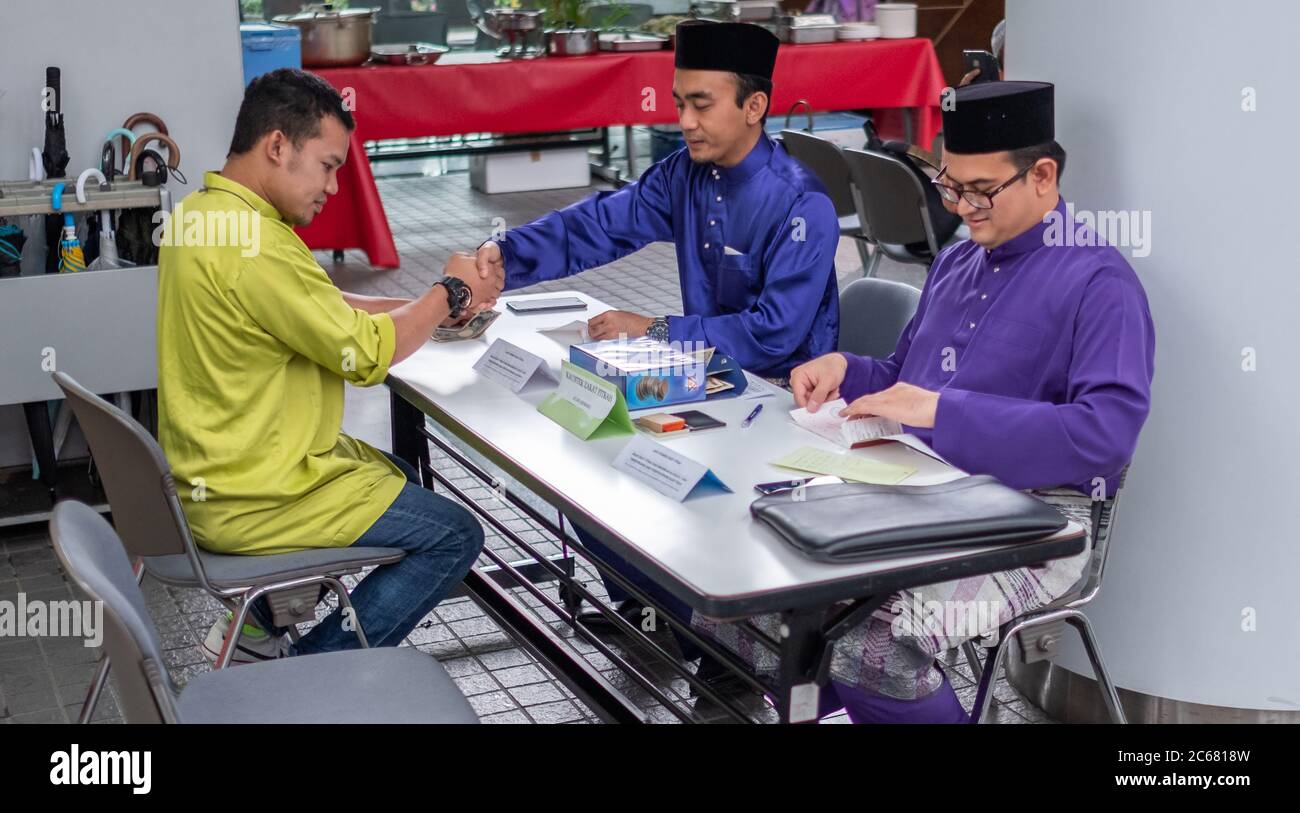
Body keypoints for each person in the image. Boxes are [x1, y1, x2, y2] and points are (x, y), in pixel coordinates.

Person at [695, 81, 1156, 721]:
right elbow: (901, 376)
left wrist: (945, 411)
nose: (961, 207)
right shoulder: (958, 261)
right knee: (745, 594)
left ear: (1043, 175)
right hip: (918, 487)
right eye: (950, 186)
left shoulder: (1099, 282)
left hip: (1041, 521)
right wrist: (845, 369)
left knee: (874, 641)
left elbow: (1104, 435)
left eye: (979, 190)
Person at [474, 22, 843, 657]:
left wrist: (657, 329)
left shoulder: (801, 204)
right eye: (680, 103)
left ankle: (724, 649)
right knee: (589, 439)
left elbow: (773, 335)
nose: (686, 120)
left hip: (781, 403)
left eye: (702, 103)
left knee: (654, 471)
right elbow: (598, 224)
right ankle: (658, 615)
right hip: (706, 381)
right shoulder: (685, 174)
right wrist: (504, 256)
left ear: (754, 107)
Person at [157, 69, 503, 662]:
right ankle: (310, 670)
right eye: (328, 165)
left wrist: (425, 309)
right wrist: (447, 291)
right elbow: (364, 353)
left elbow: (323, 307)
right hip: (256, 496)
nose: (334, 187)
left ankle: (261, 629)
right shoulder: (256, 243)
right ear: (276, 146)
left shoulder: (203, 214)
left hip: (217, 473)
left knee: (398, 472)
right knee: (455, 533)